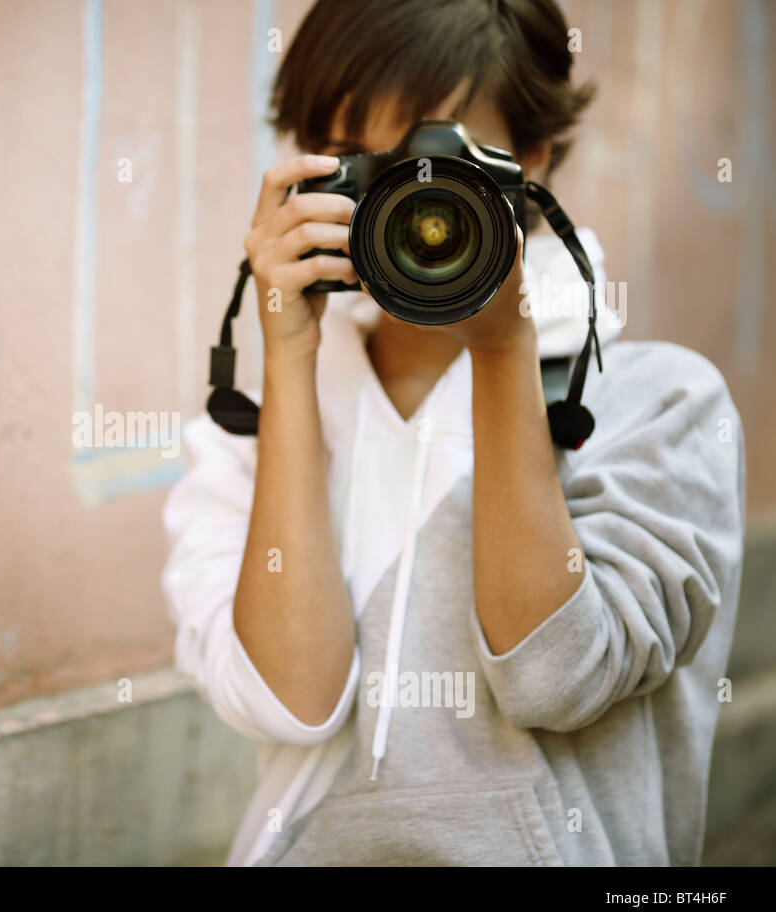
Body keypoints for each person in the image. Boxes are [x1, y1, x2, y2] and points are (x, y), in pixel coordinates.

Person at [161, 0, 746, 866]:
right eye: (362, 161)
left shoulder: (662, 405)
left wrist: (501, 343)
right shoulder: (247, 431)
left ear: (531, 160)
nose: (411, 203)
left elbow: (556, 678)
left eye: (434, 163)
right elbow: (293, 702)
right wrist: (287, 360)